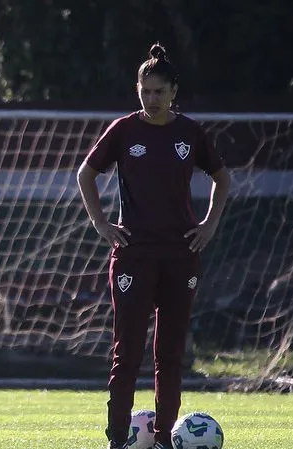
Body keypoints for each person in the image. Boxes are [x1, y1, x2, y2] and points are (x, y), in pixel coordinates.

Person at [77, 43, 230, 449]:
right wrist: (100, 222)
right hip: (134, 253)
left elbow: (222, 177)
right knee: (126, 353)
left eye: (160, 91)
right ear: (138, 90)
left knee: (170, 354)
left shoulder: (190, 132)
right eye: (146, 91)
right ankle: (116, 441)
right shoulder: (124, 130)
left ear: (174, 91)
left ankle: (164, 440)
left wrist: (209, 224)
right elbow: (86, 174)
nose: (152, 99)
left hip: (181, 255)